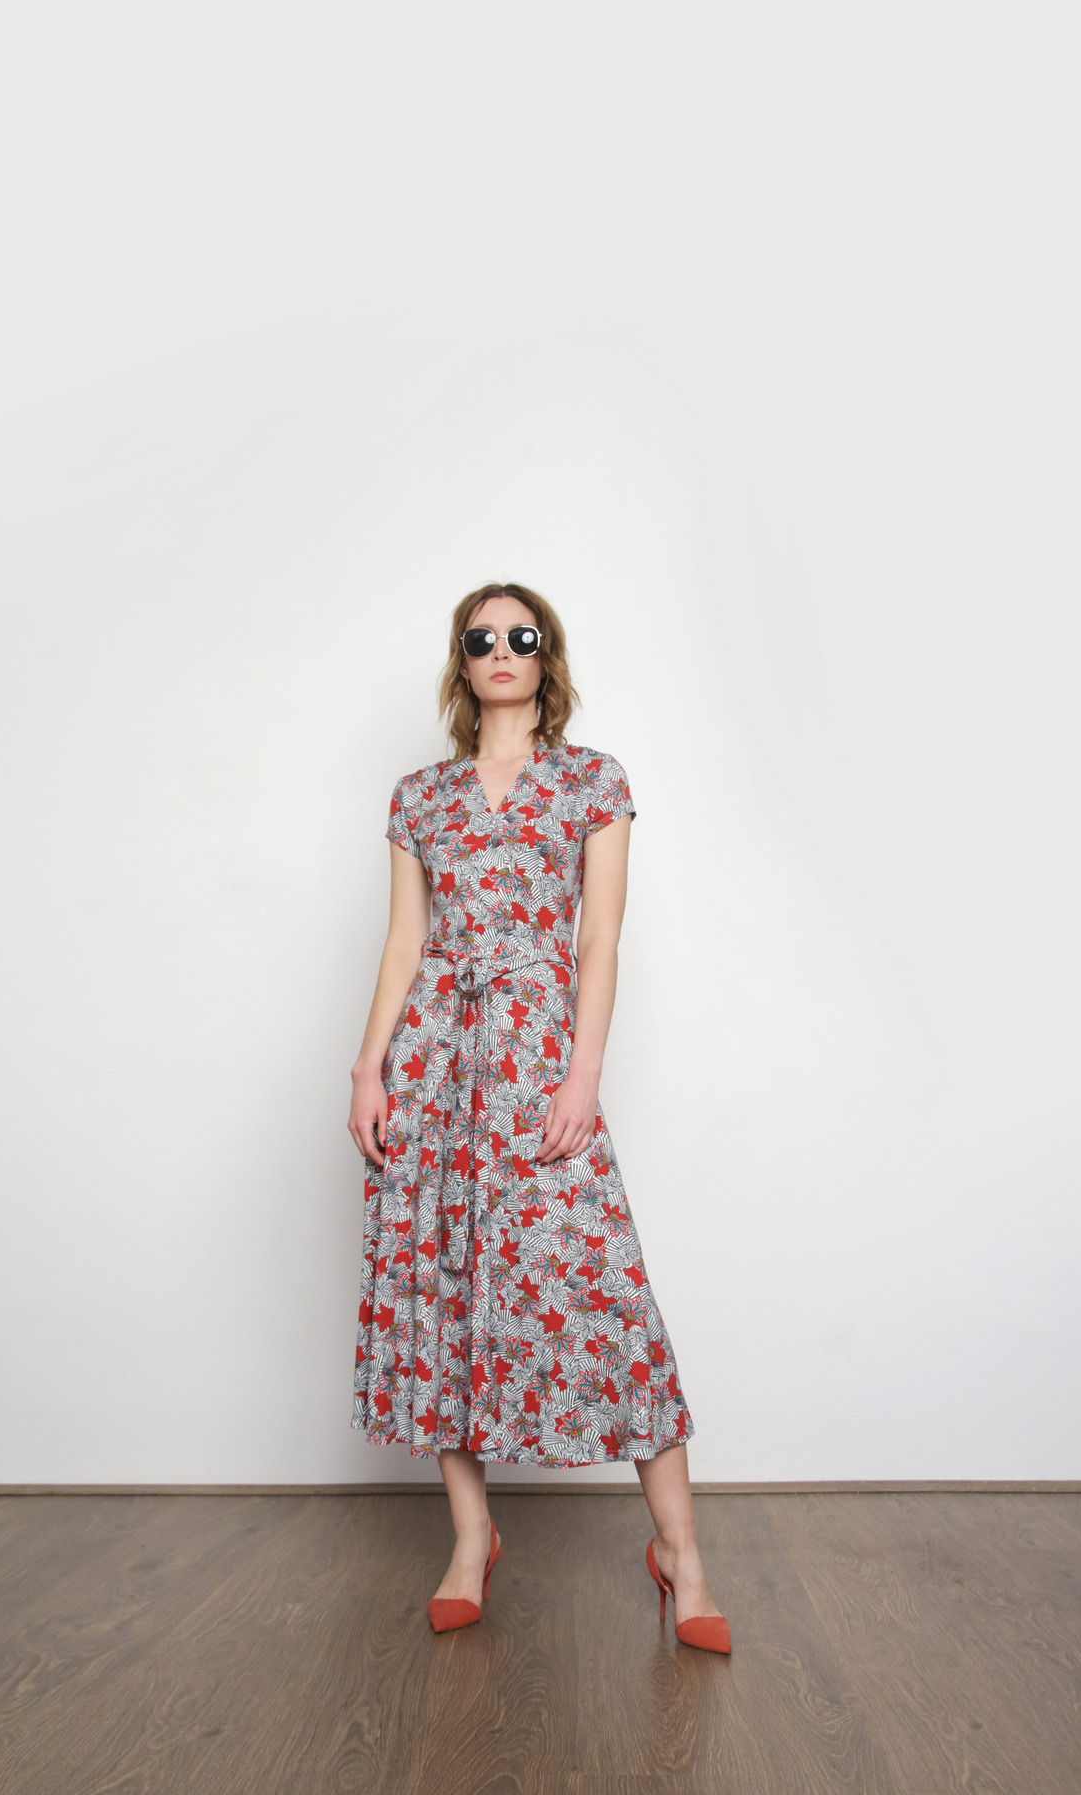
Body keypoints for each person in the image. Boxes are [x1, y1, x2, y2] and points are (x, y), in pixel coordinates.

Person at [348, 581, 730, 1652]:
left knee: (602, 1289)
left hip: (537, 1060)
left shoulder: (591, 781)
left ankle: (682, 1559)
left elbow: (601, 941)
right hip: (433, 1065)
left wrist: (581, 1076)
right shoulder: (420, 796)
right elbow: (403, 946)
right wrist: (369, 1068)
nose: (502, 651)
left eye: (522, 636)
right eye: (482, 639)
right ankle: (472, 1538)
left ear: (546, 655)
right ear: (461, 664)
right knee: (441, 1288)